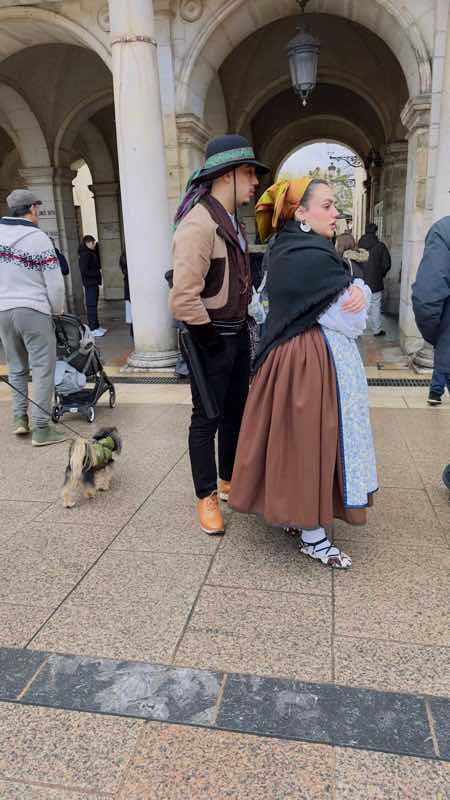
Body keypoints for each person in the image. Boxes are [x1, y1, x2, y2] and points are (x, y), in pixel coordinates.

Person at [229, 178, 378, 569]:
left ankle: (295, 514)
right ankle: (313, 536)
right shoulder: (309, 256)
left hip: (291, 357)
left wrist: (353, 286)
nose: (335, 213)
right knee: (309, 442)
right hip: (307, 362)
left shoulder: (291, 247)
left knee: (293, 441)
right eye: (327, 206)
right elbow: (350, 320)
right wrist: (358, 289)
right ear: (301, 213)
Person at [170, 134, 269, 535]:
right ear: (227, 175)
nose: (255, 182)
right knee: (206, 417)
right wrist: (211, 342)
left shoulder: (231, 222)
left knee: (235, 412)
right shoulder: (198, 224)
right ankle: (206, 495)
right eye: (249, 173)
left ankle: (228, 480)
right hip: (210, 336)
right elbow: (183, 297)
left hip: (236, 334)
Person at [0, 189, 67, 446]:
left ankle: (20, 418)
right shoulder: (38, 238)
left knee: (16, 367)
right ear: (32, 209)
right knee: (42, 368)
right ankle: (41, 428)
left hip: (3, 310)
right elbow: (55, 283)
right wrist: (57, 310)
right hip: (33, 309)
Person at [412, 216, 450, 406]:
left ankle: (435, 391)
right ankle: (435, 391)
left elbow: (426, 298)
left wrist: (436, 336)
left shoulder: (444, 230)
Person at [358, 222, 391, 336]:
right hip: (375, 280)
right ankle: (376, 330)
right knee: (376, 305)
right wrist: (380, 274)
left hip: (361, 280)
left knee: (361, 305)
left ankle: (358, 329)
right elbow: (387, 264)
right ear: (375, 232)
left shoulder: (359, 244)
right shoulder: (380, 246)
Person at [78, 235, 107, 337]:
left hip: (93, 283)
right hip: (90, 283)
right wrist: (96, 274)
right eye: (93, 243)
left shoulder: (90, 253)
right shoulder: (85, 254)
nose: (94, 244)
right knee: (91, 307)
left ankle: (97, 326)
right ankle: (93, 329)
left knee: (94, 305)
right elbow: (84, 271)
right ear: (88, 243)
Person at [119, 248, 133, 340]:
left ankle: (132, 334)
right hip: (131, 292)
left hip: (128, 293)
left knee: (132, 316)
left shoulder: (123, 259)